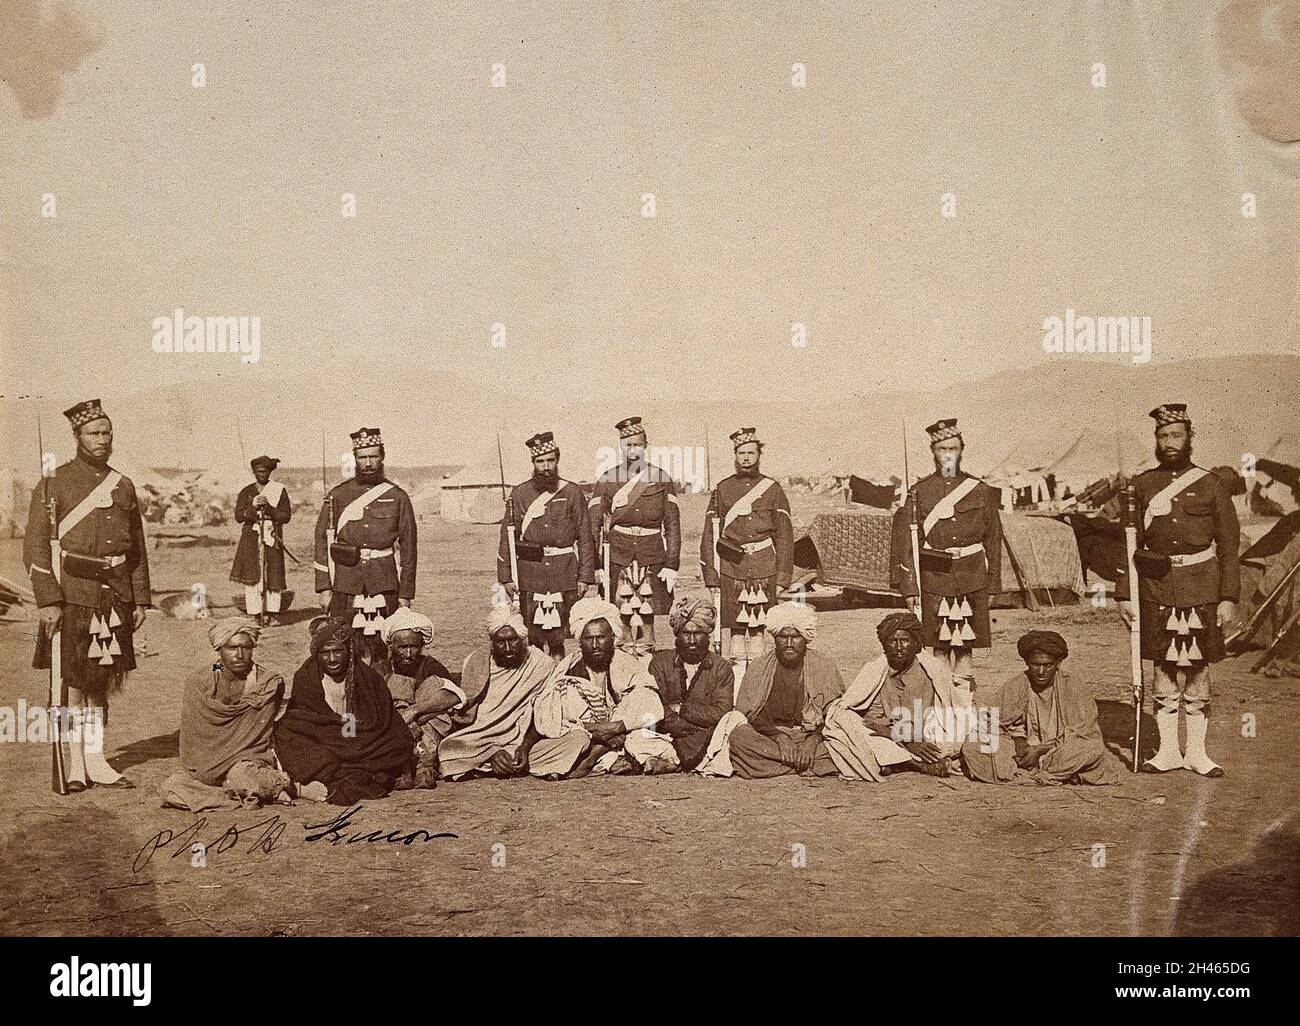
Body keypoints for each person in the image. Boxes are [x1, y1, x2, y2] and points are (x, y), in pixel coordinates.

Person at [25, 399, 150, 791]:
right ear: (77, 437)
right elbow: (35, 549)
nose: (102, 439)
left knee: (102, 680)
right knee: (74, 683)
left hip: (114, 596)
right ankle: (75, 763)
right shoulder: (53, 483)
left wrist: (140, 599)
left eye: (107, 432)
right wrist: (48, 600)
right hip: (72, 595)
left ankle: (97, 761)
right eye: (94, 433)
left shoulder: (123, 484)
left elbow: (138, 549)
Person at [1116, 403, 1240, 777]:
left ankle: (1198, 754)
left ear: (1189, 438)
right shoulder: (1142, 485)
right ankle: (1168, 752)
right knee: (1164, 669)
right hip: (1156, 589)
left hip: (1202, 587)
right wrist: (1124, 593)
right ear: (1155, 440)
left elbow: (1229, 546)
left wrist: (1228, 597)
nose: (1169, 442)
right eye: (1162, 436)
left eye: (1176, 435)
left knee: (1198, 669)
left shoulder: (1210, 484)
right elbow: (1127, 544)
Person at [891, 417, 1002, 700]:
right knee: (938, 649)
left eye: (953, 447)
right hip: (934, 578)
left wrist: (993, 585)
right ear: (933, 452)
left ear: (962, 450)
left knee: (965, 650)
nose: (948, 454)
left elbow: (993, 539)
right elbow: (906, 544)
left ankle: (963, 706)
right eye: (942, 449)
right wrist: (909, 588)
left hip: (972, 576)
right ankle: (941, 707)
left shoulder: (979, 489)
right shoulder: (918, 492)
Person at [528, 597, 677, 778]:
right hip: (585, 734)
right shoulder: (569, 667)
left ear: (612, 638)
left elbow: (649, 704)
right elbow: (551, 713)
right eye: (589, 638)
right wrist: (593, 729)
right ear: (579, 641)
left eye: (601, 638)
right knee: (568, 740)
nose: (595, 645)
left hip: (623, 731)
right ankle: (612, 758)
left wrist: (616, 726)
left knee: (640, 731)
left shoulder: (627, 664)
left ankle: (594, 759)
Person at [823, 611, 981, 781]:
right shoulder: (876, 670)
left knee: (945, 744)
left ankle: (898, 761)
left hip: (924, 734)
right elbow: (867, 713)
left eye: (904, 641)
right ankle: (912, 763)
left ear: (915, 643)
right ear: (885, 644)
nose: (898, 647)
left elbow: (919, 724)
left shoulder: (925, 673)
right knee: (841, 718)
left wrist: (897, 736)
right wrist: (894, 735)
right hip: (893, 735)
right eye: (893, 641)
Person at [273, 616, 415, 804]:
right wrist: (336, 734)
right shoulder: (305, 677)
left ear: (348, 650)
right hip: (324, 737)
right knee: (284, 733)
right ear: (316, 653)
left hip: (361, 737)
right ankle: (351, 767)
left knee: (398, 740)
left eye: (338, 651)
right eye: (325, 653)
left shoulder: (367, 676)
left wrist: (349, 736)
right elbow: (303, 718)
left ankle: (341, 768)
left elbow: (382, 719)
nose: (332, 659)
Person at [697, 603, 842, 777]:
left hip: (812, 738)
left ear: (805, 638)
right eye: (782, 636)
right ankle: (807, 765)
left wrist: (812, 741)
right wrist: (779, 737)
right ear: (774, 638)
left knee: (841, 742)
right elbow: (751, 714)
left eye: (795, 636)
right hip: (770, 738)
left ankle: (774, 765)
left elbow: (836, 714)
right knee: (738, 737)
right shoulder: (759, 666)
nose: (789, 643)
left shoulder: (824, 665)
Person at [159, 619, 291, 811]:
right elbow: (194, 737)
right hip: (206, 765)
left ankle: (263, 787)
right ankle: (238, 794)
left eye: (246, 648)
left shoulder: (265, 682)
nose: (239, 655)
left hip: (246, 759)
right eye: (232, 648)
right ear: (219, 649)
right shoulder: (204, 679)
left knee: (242, 776)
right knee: (170, 789)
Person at [964, 631, 1124, 785]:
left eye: (1048, 665)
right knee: (973, 745)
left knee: (1090, 748)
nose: (1041, 672)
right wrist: (1019, 742)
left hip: (1058, 751)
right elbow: (993, 722)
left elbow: (1086, 733)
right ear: (1027, 663)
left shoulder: (1073, 686)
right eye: (1035, 665)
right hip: (1021, 750)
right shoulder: (1015, 686)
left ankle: (1028, 772)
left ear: (1058, 663)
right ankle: (1054, 774)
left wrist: (1040, 750)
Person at [315, 427, 418, 663]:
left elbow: (409, 547)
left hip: (384, 580)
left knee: (385, 645)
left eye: (373, 456)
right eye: (363, 457)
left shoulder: (398, 496)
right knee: (342, 642)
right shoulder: (338, 495)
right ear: (355, 459)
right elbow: (321, 540)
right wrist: (324, 587)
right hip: (345, 581)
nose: (368, 463)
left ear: (382, 457)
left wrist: (406, 593)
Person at [587, 416, 682, 651]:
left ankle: (647, 665)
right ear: (620, 446)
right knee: (620, 616)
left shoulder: (661, 478)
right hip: (618, 555)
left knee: (648, 616)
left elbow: (672, 524)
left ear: (645, 446)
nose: (632, 450)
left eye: (637, 445)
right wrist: (596, 566)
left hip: (652, 555)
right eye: (627, 445)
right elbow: (593, 527)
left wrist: (671, 564)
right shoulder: (607, 479)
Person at [700, 427, 794, 663]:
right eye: (741, 453)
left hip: (765, 567)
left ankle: (758, 679)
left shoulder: (772, 489)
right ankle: (738, 680)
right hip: (732, 567)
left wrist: (783, 578)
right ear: (735, 455)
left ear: (759, 455)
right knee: (736, 630)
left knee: (760, 630)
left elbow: (784, 535)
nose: (746, 458)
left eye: (751, 452)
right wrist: (712, 577)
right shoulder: (722, 489)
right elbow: (710, 535)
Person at [499, 431, 597, 656]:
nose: (546, 467)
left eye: (550, 460)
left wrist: (585, 577)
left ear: (557, 460)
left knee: (558, 638)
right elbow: (507, 537)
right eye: (540, 461)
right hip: (530, 574)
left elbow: (585, 536)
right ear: (533, 463)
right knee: (532, 638)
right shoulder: (520, 494)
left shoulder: (572, 492)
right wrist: (506, 577)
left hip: (563, 573)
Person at [436, 607, 555, 779]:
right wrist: (493, 752)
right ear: (492, 642)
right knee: (448, 747)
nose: (508, 648)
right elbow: (468, 713)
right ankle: (496, 760)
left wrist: (525, 746)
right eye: (500, 642)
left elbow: (545, 713)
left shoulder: (542, 665)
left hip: (523, 739)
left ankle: (490, 763)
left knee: (568, 743)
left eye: (513, 640)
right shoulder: (477, 661)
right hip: (481, 739)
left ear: (523, 639)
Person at [646, 593, 735, 771]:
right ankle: (682, 762)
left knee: (731, 729)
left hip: (709, 737)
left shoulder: (721, 667)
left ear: (708, 635)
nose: (693, 640)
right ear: (677, 635)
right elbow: (655, 708)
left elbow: (721, 713)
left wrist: (681, 709)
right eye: (687, 633)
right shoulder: (660, 663)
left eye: (698, 634)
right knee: (638, 738)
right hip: (670, 735)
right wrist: (691, 728)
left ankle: (675, 763)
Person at [378, 607, 460, 790]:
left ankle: (423, 767)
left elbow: (454, 696)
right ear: (390, 646)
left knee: (433, 685)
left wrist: (414, 711)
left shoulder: (430, 665)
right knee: (396, 683)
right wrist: (401, 720)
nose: (408, 654)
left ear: (421, 645)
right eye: (402, 647)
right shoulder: (381, 669)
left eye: (413, 647)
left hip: (426, 731)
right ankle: (404, 767)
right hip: (393, 730)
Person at [230, 455, 292, 626]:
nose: (262, 474)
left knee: (274, 573)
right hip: (251, 538)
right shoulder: (247, 492)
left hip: (272, 536)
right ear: (254, 472)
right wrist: (253, 507)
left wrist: (270, 509)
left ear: (270, 472)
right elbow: (238, 516)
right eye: (259, 471)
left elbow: (286, 516)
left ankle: (273, 613)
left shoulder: (279, 490)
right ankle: (255, 614)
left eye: (265, 471)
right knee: (252, 575)